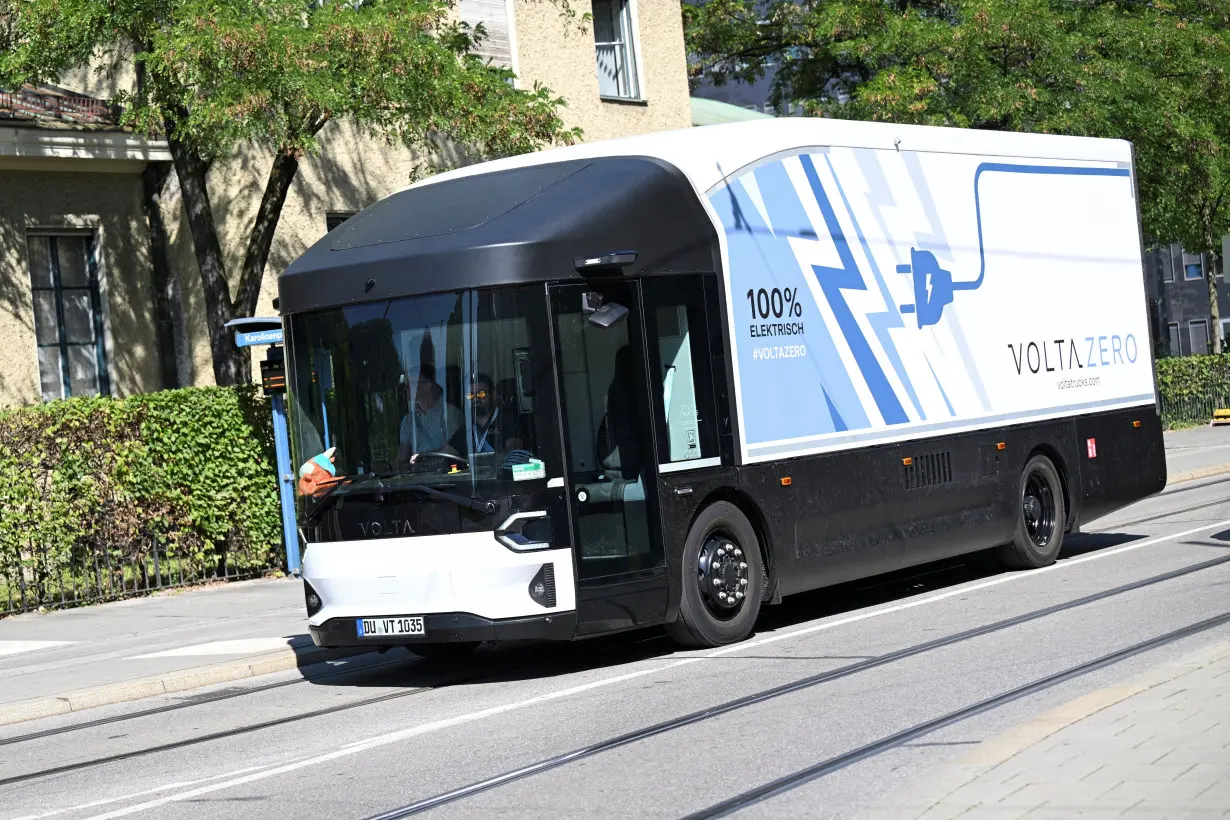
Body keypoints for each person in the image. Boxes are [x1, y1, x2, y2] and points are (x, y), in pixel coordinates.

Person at [395, 364, 462, 468]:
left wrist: (421, 460)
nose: (407, 387)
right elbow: (402, 457)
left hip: (446, 476)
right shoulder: (408, 420)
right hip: (417, 479)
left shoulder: (450, 413)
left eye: (411, 383)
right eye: (406, 383)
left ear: (427, 386)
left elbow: (452, 450)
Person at [449, 372, 522, 456]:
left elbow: (514, 449)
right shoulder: (466, 428)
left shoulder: (509, 420)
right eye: (470, 396)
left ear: (494, 394)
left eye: (481, 394)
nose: (475, 399)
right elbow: (448, 451)